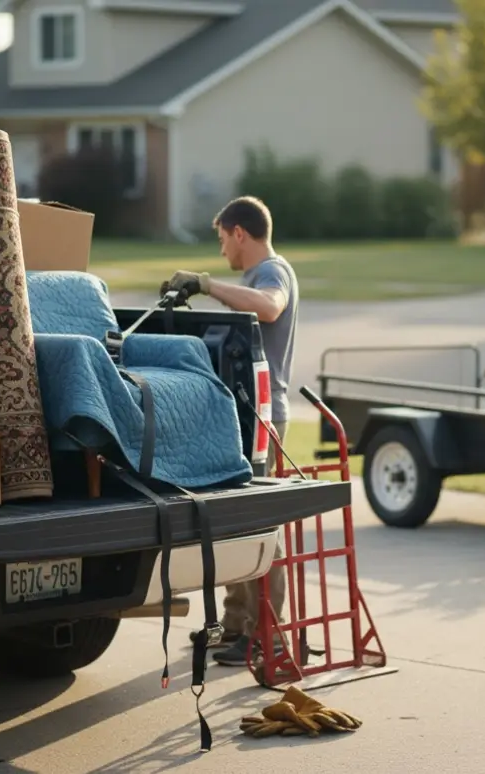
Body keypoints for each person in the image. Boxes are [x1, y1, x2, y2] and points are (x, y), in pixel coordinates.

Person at [162, 195, 298, 667]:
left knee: (259, 522)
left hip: (264, 414)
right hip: (242, 412)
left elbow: (271, 308)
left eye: (223, 240)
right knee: (234, 521)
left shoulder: (272, 273)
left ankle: (270, 634)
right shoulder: (252, 276)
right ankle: (237, 623)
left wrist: (206, 285)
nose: (222, 251)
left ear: (240, 233)